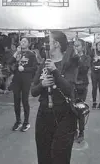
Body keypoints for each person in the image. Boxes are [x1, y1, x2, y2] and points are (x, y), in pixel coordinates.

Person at [32, 31, 78, 164]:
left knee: (60, 155)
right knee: (43, 153)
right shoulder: (44, 64)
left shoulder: (70, 62)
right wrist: (42, 84)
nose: (45, 44)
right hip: (44, 114)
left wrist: (55, 72)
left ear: (56, 44)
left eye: (49, 41)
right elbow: (33, 91)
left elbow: (69, 90)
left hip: (64, 114)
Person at [10, 37, 37, 132]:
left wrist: (25, 69)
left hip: (26, 79)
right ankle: (18, 121)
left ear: (28, 43)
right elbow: (9, 62)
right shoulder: (18, 53)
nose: (23, 43)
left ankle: (26, 122)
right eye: (21, 41)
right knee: (16, 100)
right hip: (16, 79)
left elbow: (34, 68)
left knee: (25, 100)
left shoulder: (31, 54)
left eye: (25, 41)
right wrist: (16, 53)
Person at [73, 39, 90, 143]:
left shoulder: (86, 58)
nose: (76, 48)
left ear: (82, 47)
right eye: (75, 46)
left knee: (80, 109)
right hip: (72, 85)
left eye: (78, 46)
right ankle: (73, 130)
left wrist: (77, 59)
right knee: (72, 109)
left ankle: (81, 132)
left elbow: (84, 69)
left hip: (82, 85)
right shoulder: (72, 58)